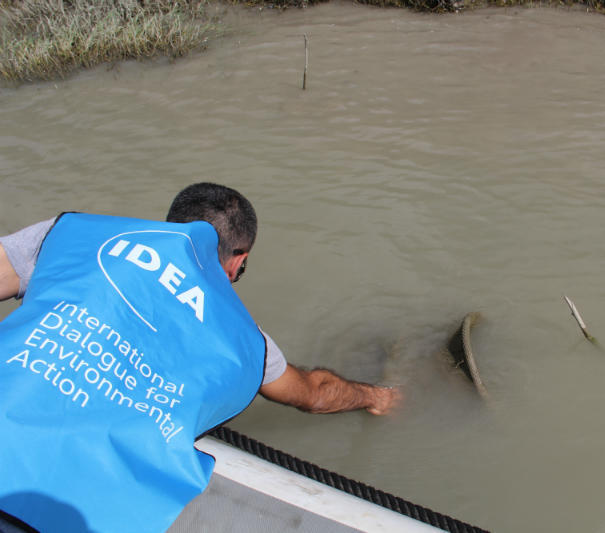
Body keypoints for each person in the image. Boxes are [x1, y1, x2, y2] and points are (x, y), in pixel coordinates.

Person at [0, 183, 401, 533]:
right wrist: (375, 398)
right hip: (82, 508)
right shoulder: (247, 342)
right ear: (238, 260)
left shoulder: (78, 233)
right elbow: (314, 394)